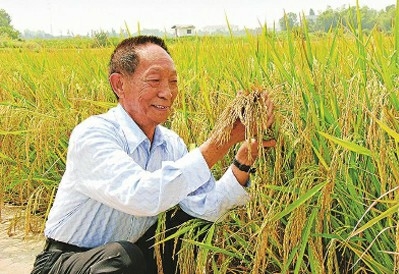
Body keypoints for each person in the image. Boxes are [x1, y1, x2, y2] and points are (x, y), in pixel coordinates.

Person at [31, 35, 276, 274]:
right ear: (119, 84)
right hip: (65, 262)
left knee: (187, 228)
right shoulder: (93, 135)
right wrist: (223, 140)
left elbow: (206, 207)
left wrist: (243, 160)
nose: (167, 93)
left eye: (173, 81)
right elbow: (142, 196)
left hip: (126, 257)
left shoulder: (170, 144)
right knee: (122, 257)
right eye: (154, 80)